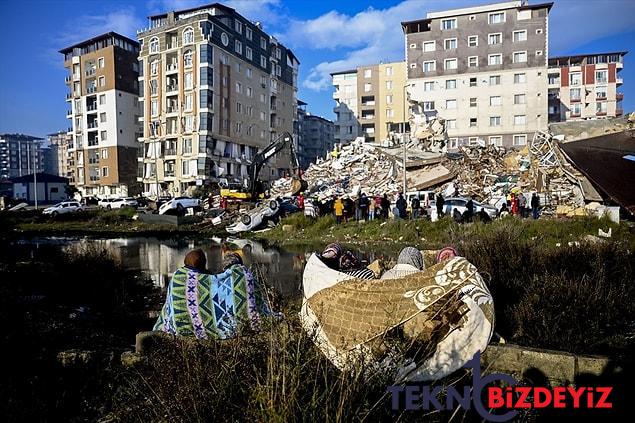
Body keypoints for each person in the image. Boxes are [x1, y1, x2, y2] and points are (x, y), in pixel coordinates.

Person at [153, 249, 279, 339]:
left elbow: (168, 311)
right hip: (238, 328)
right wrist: (235, 264)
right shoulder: (238, 276)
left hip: (183, 330)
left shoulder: (178, 278)